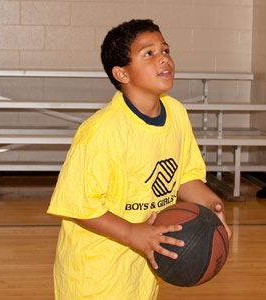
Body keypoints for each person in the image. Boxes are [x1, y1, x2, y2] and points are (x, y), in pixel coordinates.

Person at [47, 19, 232, 300]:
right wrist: (134, 233)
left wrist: (209, 204)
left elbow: (183, 176)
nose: (163, 58)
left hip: (143, 270)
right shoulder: (101, 131)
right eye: (149, 53)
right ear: (122, 73)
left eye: (166, 50)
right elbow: (80, 206)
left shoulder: (176, 113)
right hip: (95, 276)